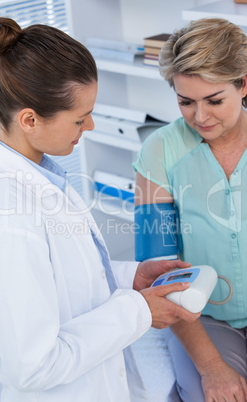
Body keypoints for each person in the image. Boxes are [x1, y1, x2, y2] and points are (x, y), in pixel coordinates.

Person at [0, 17, 199, 402]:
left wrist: (132, 276)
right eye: (80, 119)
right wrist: (138, 312)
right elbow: (33, 365)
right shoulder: (9, 218)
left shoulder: (42, 172)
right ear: (29, 120)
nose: (92, 125)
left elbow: (63, 279)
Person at [133, 17, 247, 402]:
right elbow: (159, 271)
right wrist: (212, 367)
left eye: (214, 100)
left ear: (244, 85)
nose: (200, 117)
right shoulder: (160, 151)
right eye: (185, 102)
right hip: (201, 317)